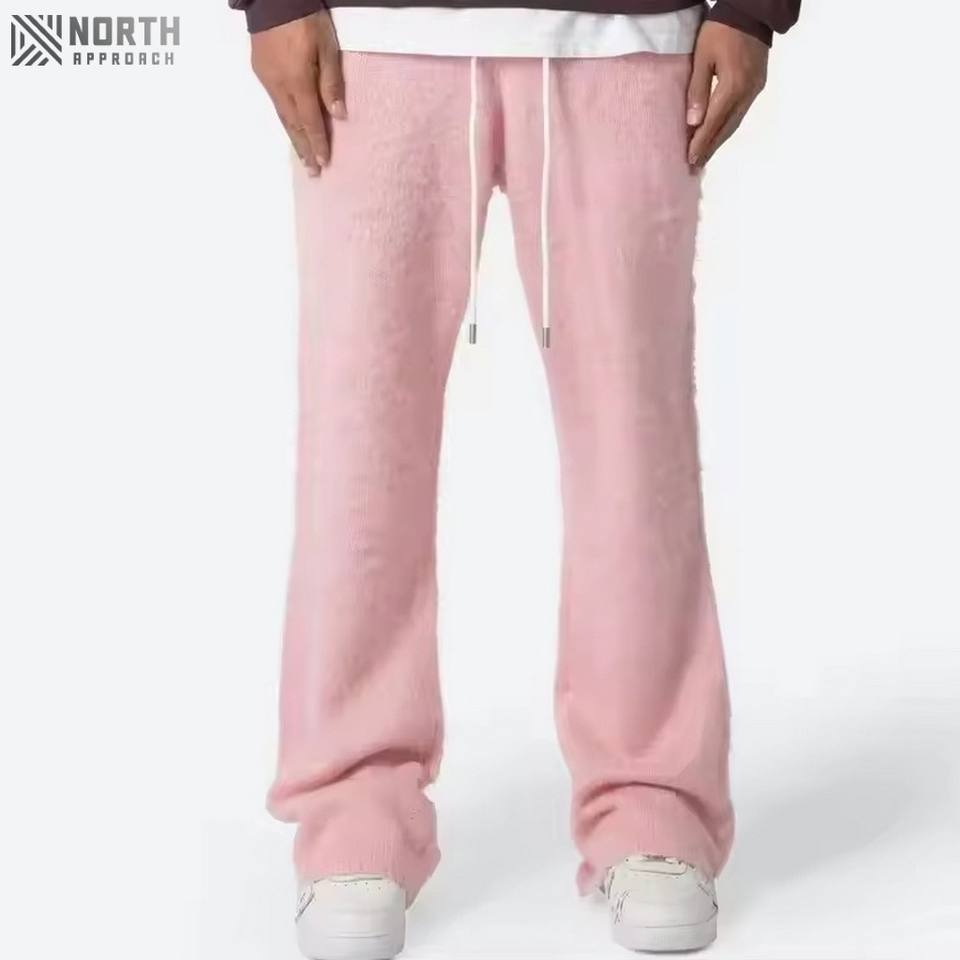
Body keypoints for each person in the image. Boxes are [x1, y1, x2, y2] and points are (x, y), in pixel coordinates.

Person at [230, 0, 799, 956]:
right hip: (374, 43)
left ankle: (653, 799)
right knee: (358, 443)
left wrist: (751, 10)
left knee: (636, 439)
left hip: (623, 41)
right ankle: (351, 808)